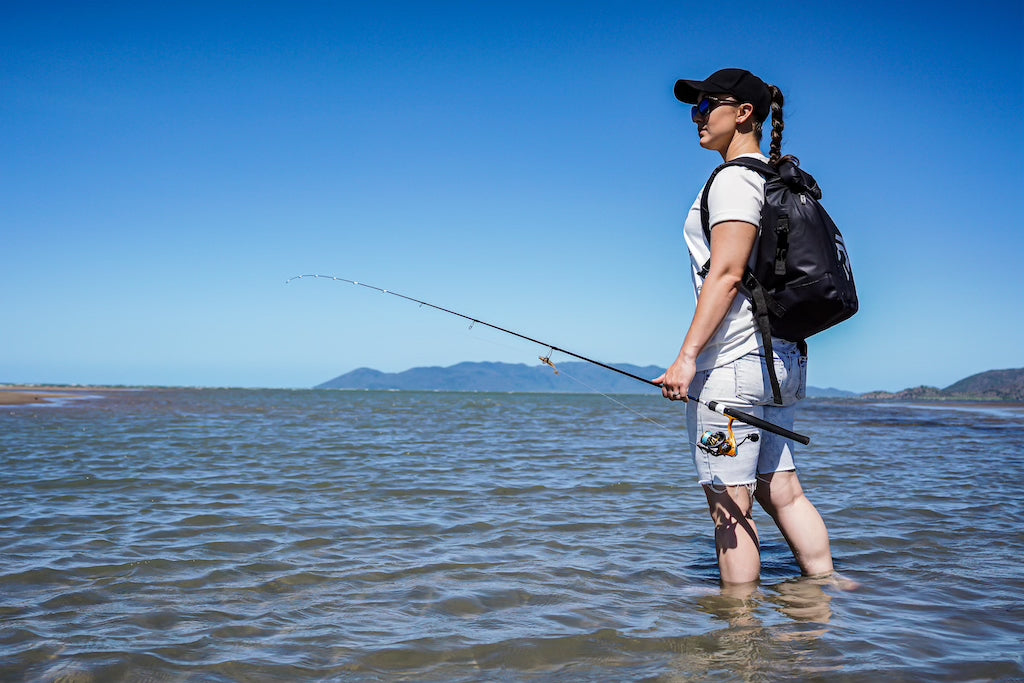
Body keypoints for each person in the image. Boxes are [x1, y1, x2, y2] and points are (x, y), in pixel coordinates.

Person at [654, 68, 834, 584]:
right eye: (694, 107)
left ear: (744, 113)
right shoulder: (773, 178)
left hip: (732, 365)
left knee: (730, 511)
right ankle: (829, 594)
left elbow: (727, 273)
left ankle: (738, 639)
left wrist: (687, 357)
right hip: (782, 360)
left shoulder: (734, 179)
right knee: (783, 491)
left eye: (706, 105)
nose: (696, 117)